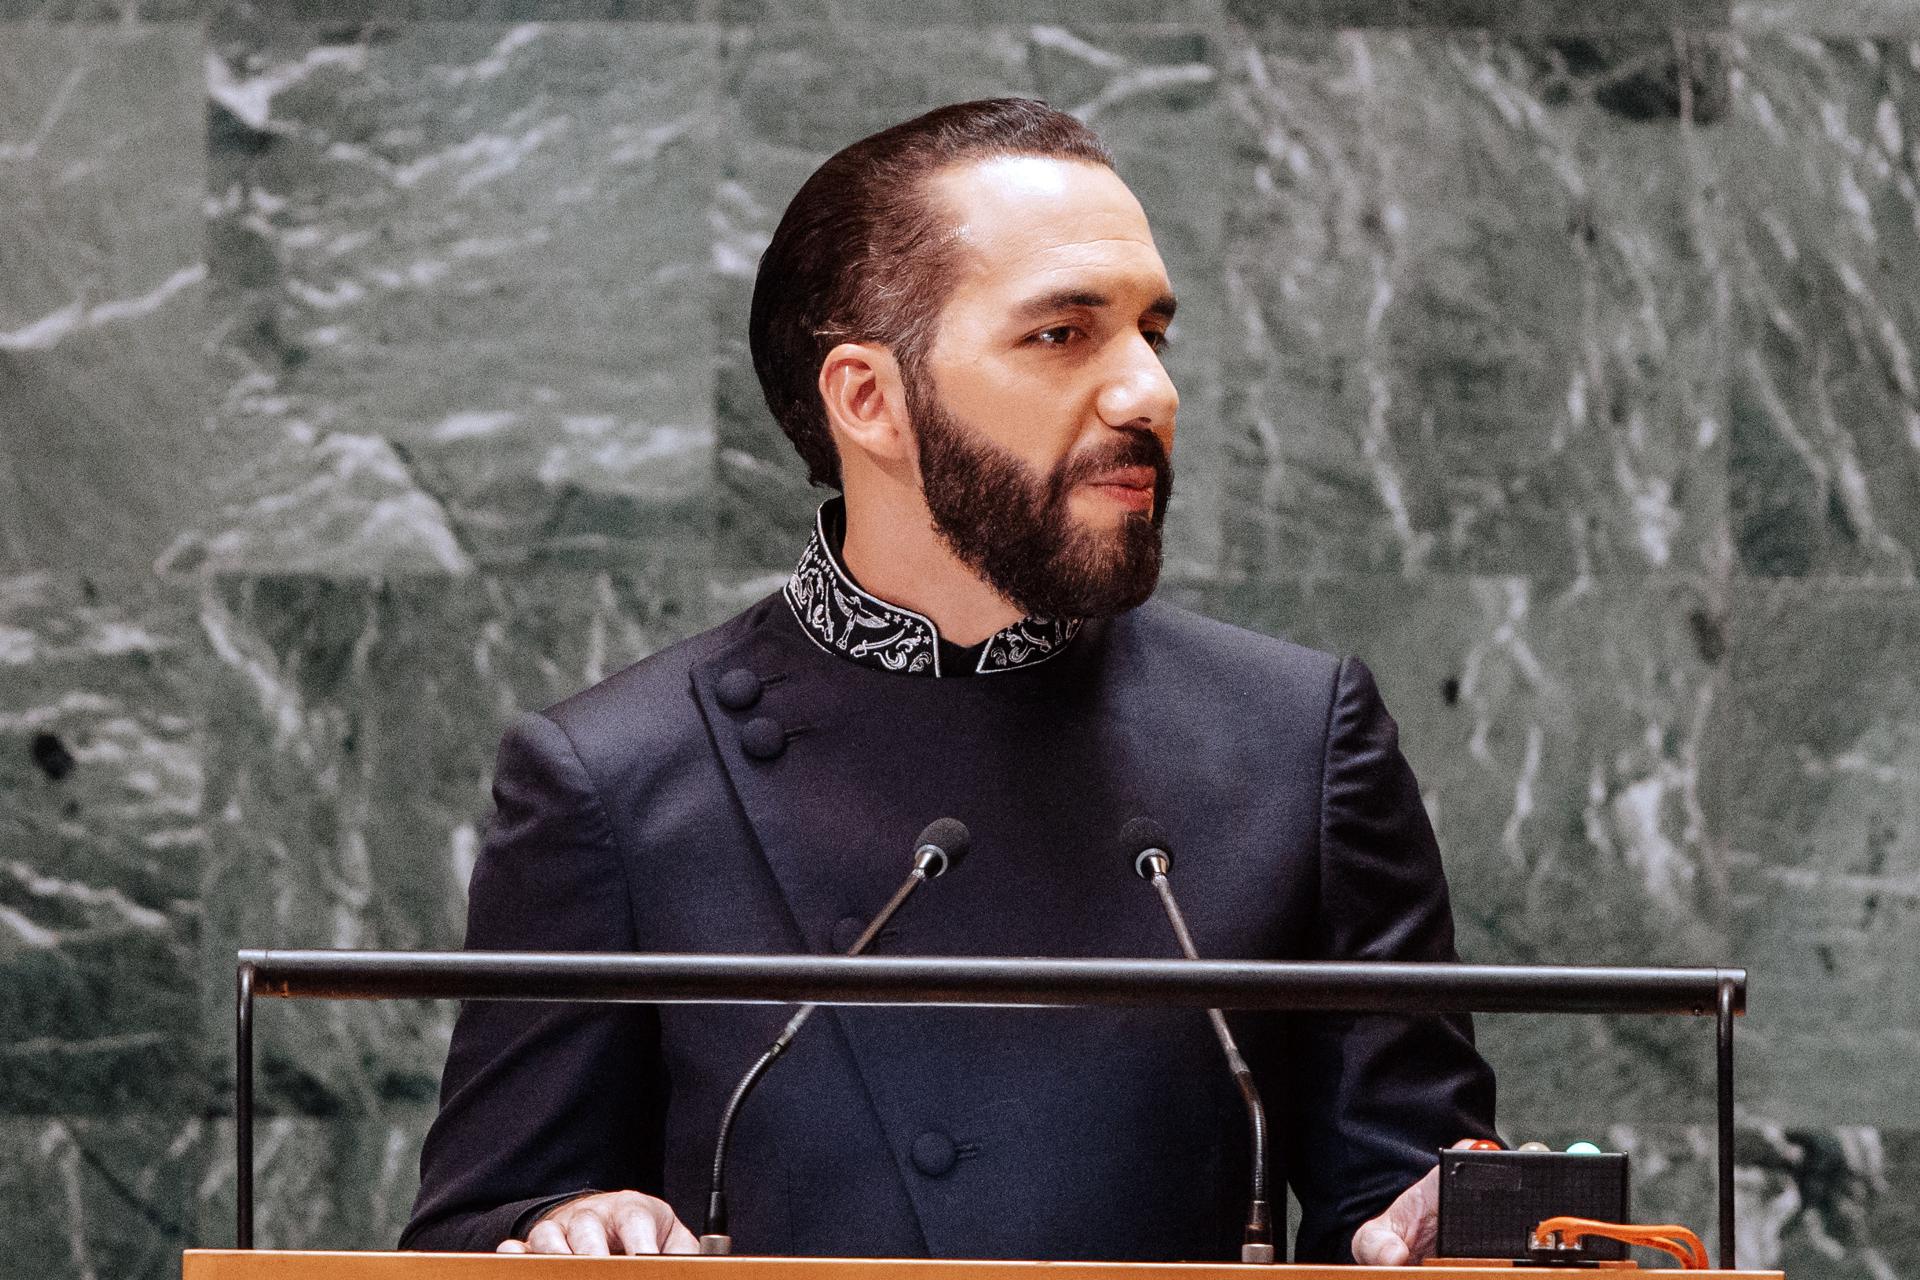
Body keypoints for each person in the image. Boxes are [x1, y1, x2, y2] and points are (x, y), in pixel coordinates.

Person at [400, 97, 1496, 1265]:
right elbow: (477, 1223)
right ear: (868, 399)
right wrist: (559, 1225)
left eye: (1152, 333)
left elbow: (1404, 1187)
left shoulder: (1302, 740)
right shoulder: (615, 778)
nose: (1149, 394)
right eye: (1062, 335)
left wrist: (1441, 1220)